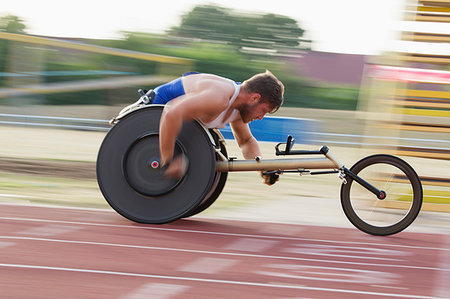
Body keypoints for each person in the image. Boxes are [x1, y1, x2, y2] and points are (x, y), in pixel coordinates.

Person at [154, 70, 284, 185]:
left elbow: (246, 141)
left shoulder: (238, 108)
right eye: (263, 111)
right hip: (155, 109)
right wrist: (168, 161)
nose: (261, 117)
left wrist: (264, 167)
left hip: (174, 123)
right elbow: (171, 113)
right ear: (255, 98)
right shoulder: (219, 98)